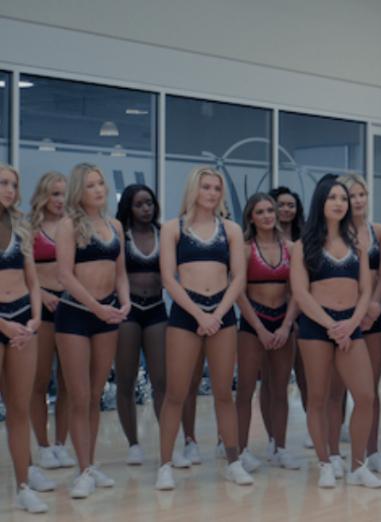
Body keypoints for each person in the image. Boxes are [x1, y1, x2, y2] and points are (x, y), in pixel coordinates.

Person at [155, 166, 252, 490]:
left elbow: (238, 277)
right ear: (194, 189)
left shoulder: (231, 230)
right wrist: (199, 314)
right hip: (186, 314)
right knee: (176, 393)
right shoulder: (172, 228)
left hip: (222, 314)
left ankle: (234, 462)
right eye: (206, 187)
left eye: (216, 188)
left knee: (224, 393)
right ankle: (165, 464)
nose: (212, 193)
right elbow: (169, 278)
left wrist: (218, 313)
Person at [290, 178, 381, 489]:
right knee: (317, 397)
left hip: (350, 326)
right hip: (317, 327)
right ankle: (325, 463)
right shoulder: (305, 245)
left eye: (343, 198)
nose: (340, 203)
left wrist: (351, 324)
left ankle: (359, 466)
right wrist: (331, 326)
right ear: (321, 202)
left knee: (366, 396)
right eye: (333, 197)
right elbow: (301, 294)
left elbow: (365, 291)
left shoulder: (357, 245)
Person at [55, 163, 131, 499]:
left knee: (96, 396)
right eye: (90, 185)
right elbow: (65, 276)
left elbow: (121, 274)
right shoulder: (68, 225)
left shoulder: (114, 225)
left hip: (109, 315)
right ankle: (82, 470)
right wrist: (97, 307)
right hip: (75, 315)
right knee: (79, 396)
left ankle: (91, 463)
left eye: (101, 183)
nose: (99, 189)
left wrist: (124, 303)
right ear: (78, 190)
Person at [235, 193, 301, 472]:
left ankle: (279, 447)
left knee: (280, 390)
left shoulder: (292, 248)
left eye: (270, 210)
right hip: (254, 324)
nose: (267, 216)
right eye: (260, 212)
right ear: (251, 216)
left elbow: (298, 291)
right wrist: (260, 329)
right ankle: (241, 451)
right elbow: (238, 292)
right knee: (247, 389)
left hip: (283, 322)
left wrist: (286, 325)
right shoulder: (245, 248)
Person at [333, 173, 381, 474]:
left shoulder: (379, 231)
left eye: (361, 195)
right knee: (335, 388)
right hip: (342, 316)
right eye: (349, 195)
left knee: (370, 387)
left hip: (372, 315)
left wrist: (373, 307)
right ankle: (333, 452)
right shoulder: (333, 234)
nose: (356, 201)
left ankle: (372, 450)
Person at [0, 164, 49, 513]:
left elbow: (33, 282)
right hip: (1, 323)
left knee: (19, 409)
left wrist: (35, 319)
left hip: (23, 321)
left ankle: (22, 486)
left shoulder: (21, 227)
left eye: (13, 184)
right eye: (2, 183)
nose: (9, 189)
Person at [114, 185, 168, 466]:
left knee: (162, 380)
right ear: (128, 208)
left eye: (149, 203)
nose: (146, 209)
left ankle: (168, 443)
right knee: (126, 380)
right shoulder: (120, 236)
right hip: (128, 310)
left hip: (157, 308)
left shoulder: (165, 234)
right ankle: (133, 443)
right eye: (139, 204)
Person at [26, 171, 75, 471]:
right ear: (44, 195)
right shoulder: (29, 228)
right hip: (42, 310)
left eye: (64, 194)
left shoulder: (75, 227)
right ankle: (43, 446)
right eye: (55, 194)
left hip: (71, 308)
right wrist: (42, 294)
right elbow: (21, 273)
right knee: (40, 382)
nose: (60, 200)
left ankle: (61, 445)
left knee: (68, 381)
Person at [267, 186, 309, 448]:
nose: (285, 209)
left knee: (307, 377)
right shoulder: (258, 240)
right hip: (270, 316)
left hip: (303, 314)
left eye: (290, 205)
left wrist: (294, 318)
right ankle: (273, 436)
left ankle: (314, 429)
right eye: (280, 205)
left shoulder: (304, 239)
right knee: (273, 381)